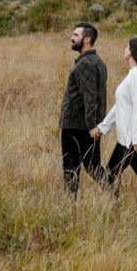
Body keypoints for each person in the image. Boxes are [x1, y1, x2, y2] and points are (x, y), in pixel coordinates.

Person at [91, 37, 137, 198]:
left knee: (112, 174)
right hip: (127, 138)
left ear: (132, 52)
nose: (124, 49)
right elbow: (120, 107)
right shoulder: (133, 75)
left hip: (131, 140)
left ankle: (114, 206)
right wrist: (103, 128)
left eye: (127, 47)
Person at [59, 22, 108, 197]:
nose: (72, 38)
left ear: (87, 40)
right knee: (93, 167)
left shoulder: (86, 64)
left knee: (71, 169)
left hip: (77, 127)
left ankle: (69, 205)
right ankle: (114, 196)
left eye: (76, 35)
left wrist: (91, 125)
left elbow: (90, 97)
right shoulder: (98, 62)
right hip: (88, 126)